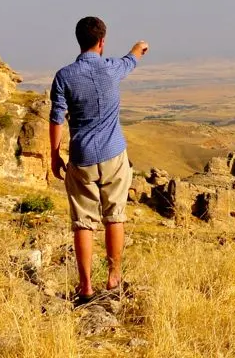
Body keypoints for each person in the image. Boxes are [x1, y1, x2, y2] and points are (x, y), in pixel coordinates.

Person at [49, 16, 149, 305]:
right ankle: (114, 278)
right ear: (102, 41)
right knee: (114, 216)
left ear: (79, 41)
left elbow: (57, 117)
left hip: (81, 158)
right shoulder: (111, 69)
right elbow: (131, 60)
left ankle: (85, 287)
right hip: (114, 155)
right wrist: (139, 47)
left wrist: (55, 154)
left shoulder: (64, 76)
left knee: (83, 222)